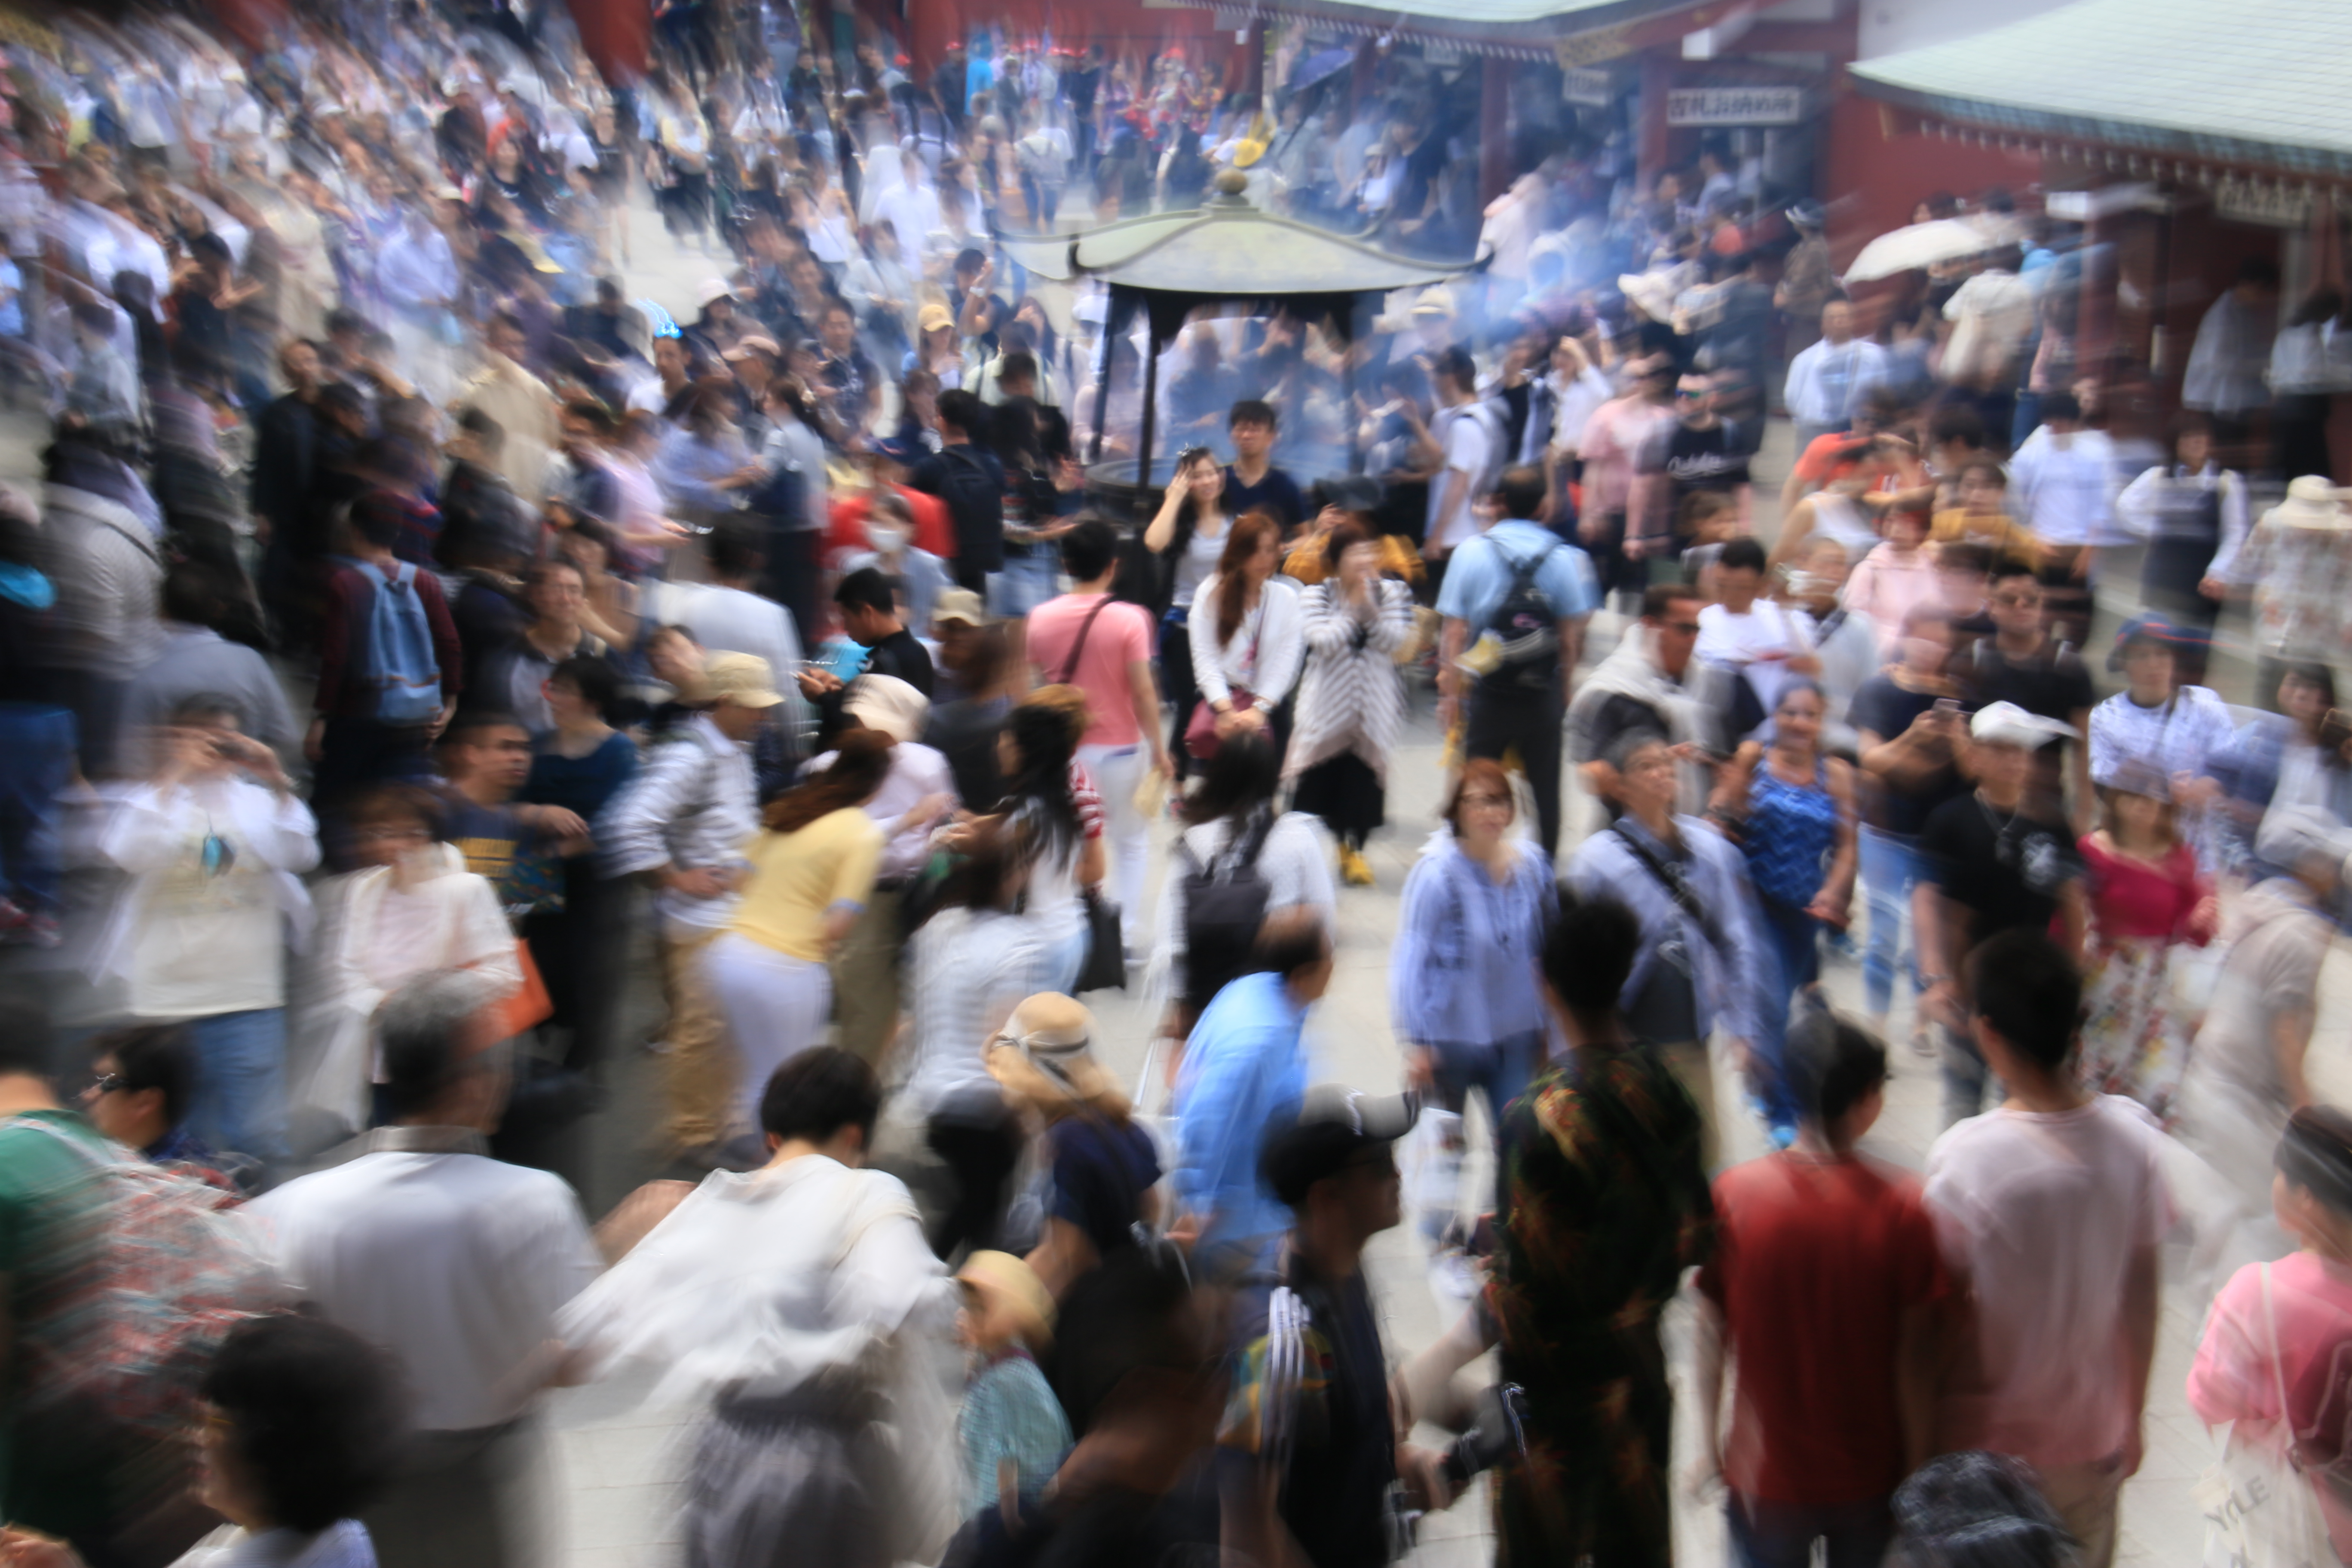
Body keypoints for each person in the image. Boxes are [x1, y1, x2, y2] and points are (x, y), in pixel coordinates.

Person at [556, 1047, 962, 1568]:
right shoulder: (866, 1191)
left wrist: (618, 1234)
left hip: (721, 1454)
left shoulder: (709, 1204)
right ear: (855, 1136)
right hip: (822, 1461)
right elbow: (906, 1297)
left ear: (772, 1136)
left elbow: (586, 1338)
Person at [253, 969, 602, 1568]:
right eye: (498, 1061)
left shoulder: (299, 1206)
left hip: (348, 1482)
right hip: (476, 1479)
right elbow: (577, 1361)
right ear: (472, 1087)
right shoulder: (532, 1202)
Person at [1922, 930, 2171, 1568]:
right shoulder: (2135, 1140)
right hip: (2093, 1442)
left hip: (1988, 1456)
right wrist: (2134, 1414)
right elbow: (2142, 1295)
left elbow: (1937, 1316)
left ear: (1988, 1033)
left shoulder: (1968, 1159)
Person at [1488, 886, 1713, 1568]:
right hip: (1639, 1377)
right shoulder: (1668, 1089)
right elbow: (1696, 1234)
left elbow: (1522, 1297)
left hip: (1552, 1404)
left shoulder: (1539, 1116)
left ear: (1545, 983)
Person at [1689, 1011, 1948, 1568]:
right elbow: (1917, 1359)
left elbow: (1710, 1331)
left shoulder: (1735, 1197)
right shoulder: (1904, 1210)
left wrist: (1707, 1443)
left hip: (1764, 1477)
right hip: (1869, 1477)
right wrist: (1918, 1466)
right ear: (1870, 1100)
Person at [1221, 1085, 1458, 1568]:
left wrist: (1400, 1460)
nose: (1399, 1174)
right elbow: (1247, 1530)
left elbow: (1347, 1424)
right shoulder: (1281, 1339)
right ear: (1327, 1197)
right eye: (1379, 1164)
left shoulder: (1348, 1274)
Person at [97, 696, 320, 1170]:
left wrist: (276, 778)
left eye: (225, 739)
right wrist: (175, 774)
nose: (212, 749)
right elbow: (126, 852)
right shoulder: (151, 798)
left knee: (258, 1136)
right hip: (165, 1000)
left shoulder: (259, 802)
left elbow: (301, 854)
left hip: (248, 995)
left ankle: (261, 1216)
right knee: (177, 1138)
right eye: (196, 737)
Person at [1567, 729, 1764, 1170]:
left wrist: (1743, 1026)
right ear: (1620, 786)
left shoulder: (1708, 849)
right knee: (1633, 1158)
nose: (1660, 774)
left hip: (1691, 1038)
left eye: (1665, 765)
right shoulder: (1597, 861)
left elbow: (1735, 938)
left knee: (1701, 1156)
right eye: (1645, 767)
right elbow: (1575, 959)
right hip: (1627, 1042)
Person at [599, 652, 769, 1159]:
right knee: (703, 1031)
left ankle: (719, 1122)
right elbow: (629, 824)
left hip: (726, 913)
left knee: (726, 1027)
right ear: (724, 701)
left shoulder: (729, 749)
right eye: (754, 706)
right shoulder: (691, 756)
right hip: (699, 921)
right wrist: (674, 878)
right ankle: (694, 1132)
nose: (763, 715)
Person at [1390, 758, 1557, 1274]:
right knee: (1447, 1147)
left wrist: (1553, 1025)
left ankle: (1503, 1233)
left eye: (1498, 801)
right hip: (1451, 1037)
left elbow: (1548, 946)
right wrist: (1415, 1040)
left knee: (1518, 1138)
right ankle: (1442, 1243)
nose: (1489, 812)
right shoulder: (1437, 873)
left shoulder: (1531, 867)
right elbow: (1412, 955)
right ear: (1457, 810)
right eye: (1477, 801)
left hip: (1517, 1032)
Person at [706, 727, 891, 1159]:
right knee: (789, 1080)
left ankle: (763, 1159)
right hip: (786, 967)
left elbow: (738, 879)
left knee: (759, 1071)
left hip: (729, 953)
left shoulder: (791, 808)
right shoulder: (862, 834)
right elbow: (839, 923)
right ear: (878, 783)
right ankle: (784, 1170)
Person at [2179, 809, 2343, 1292]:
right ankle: (2233, 1312)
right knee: (2272, 1218)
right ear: (2311, 866)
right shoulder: (2301, 935)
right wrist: (2304, 1109)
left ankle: (2208, 1297)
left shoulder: (2255, 907)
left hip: (2208, 1075)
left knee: (2227, 1201)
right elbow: (2285, 1031)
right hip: (2245, 1097)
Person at [2187, 1106, 2352, 1564]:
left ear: (2306, 1197)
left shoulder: (2257, 1293)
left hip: (2281, 1525)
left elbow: (2208, 1398)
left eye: (2280, 1175)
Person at [1915, 701, 2087, 1125]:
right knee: (1963, 1099)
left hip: (2032, 990)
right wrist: (1937, 974)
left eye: (2021, 751)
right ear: (1975, 755)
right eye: (2001, 749)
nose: (2014, 760)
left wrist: (2074, 974)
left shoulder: (2052, 823)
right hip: (1968, 986)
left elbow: (2072, 900)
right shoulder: (1951, 820)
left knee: (2027, 1104)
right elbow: (1927, 899)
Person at [1708, 680, 1857, 1142]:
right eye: (1790, 713)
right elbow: (1718, 815)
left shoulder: (1836, 774)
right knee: (1771, 1004)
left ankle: (1759, 1078)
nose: (1799, 723)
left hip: (1804, 910)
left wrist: (1834, 891)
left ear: (1822, 720)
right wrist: (1733, 789)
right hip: (1753, 902)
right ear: (1775, 717)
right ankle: (1783, 1114)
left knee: (1777, 1003)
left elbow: (1848, 847)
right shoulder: (1755, 758)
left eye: (1809, 715)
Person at [1436, 464, 1598, 859]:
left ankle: (1470, 863)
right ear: (1543, 506)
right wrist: (1564, 688)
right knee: (1546, 790)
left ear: (1499, 503)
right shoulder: (1566, 556)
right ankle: (1545, 872)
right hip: (1541, 694)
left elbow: (1454, 632)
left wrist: (1451, 696)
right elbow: (1570, 636)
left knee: (1476, 784)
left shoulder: (1471, 551)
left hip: (1489, 692)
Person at [1026, 517, 1171, 956]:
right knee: (1130, 843)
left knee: (1071, 844)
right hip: (1123, 750)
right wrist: (1161, 751)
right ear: (1114, 565)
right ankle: (1124, 937)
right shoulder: (1132, 619)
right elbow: (1143, 692)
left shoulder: (1039, 619)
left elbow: (1037, 689)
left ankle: (1076, 931)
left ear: (1066, 564)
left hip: (1067, 755)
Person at [900, 821, 1041, 1259]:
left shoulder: (936, 928)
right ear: (1007, 877)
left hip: (934, 1096)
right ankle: (936, 1274)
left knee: (970, 1204)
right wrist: (1028, 1116)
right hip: (982, 1104)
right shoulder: (1013, 943)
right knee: (979, 1208)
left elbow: (915, 1011)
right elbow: (1000, 1039)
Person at [1151, 730, 1338, 1035]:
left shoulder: (1194, 841)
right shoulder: (1300, 839)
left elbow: (1169, 934)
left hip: (1206, 999)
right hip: (1276, 1001)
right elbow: (1324, 922)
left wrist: (1179, 1004)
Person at [1171, 909, 1331, 1263]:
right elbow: (1207, 1115)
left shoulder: (1265, 995)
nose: (1334, 967)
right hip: (1233, 1226)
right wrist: (1197, 1203)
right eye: (1329, 958)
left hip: (1256, 1211)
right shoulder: (1258, 1043)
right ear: (1304, 973)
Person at [982, 993, 1161, 1297]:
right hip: (1132, 1290)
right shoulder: (1121, 1122)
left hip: (1096, 1302)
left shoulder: (1066, 1143)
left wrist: (1009, 1295)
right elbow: (1152, 1207)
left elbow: (1070, 1256)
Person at [824, 676, 959, 1061]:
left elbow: (947, 816)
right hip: (864, 897)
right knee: (864, 1005)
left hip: (919, 893)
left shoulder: (927, 764)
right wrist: (907, 821)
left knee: (915, 995)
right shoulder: (828, 769)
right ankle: (859, 1078)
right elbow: (837, 839)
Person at [1850, 606, 1969, 1042]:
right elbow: (1871, 758)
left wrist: (1959, 738)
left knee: (1930, 942)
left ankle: (1923, 1021)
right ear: (1904, 636)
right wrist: (1914, 737)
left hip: (1938, 838)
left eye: (1940, 640)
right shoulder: (1879, 689)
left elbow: (1973, 772)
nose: (1930, 649)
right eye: (1922, 637)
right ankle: (1877, 1025)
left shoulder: (1963, 697)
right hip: (1886, 829)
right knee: (1882, 935)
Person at [2074, 766, 2217, 1124]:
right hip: (2106, 976)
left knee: (2157, 1080)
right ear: (2116, 802)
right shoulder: (2093, 851)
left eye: (2153, 802)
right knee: (2101, 1069)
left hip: (2157, 981)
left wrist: (2202, 921)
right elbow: (2068, 915)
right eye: (2134, 799)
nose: (2143, 809)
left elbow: (2195, 931)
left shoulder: (2180, 857)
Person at [307, 498, 462, 810]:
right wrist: (450, 701)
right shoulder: (424, 581)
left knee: (336, 804)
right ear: (397, 534)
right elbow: (449, 642)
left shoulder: (346, 583)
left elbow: (336, 657)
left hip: (357, 714)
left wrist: (323, 716)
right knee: (400, 806)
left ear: (354, 531)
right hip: (415, 714)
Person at [1285, 519, 1413, 885]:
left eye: (1369, 551)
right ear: (1337, 560)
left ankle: (1354, 850)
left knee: (1363, 783)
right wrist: (1351, 609)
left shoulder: (1393, 593)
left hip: (1374, 707)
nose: (1364, 560)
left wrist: (1368, 608)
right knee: (1316, 785)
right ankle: (1300, 856)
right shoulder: (1317, 596)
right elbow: (1322, 642)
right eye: (1355, 553)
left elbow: (1394, 643)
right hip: (1325, 708)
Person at [1957, 559, 2096, 833]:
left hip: (2045, 806)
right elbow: (1960, 736)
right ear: (1992, 606)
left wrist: (2083, 815)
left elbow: (2086, 747)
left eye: (2031, 599)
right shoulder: (1972, 660)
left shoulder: (2068, 666)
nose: (2022, 606)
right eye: (2010, 600)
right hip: (1982, 804)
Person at [2089, 616, 2235, 867]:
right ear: (2123, 662)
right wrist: (2161, 796)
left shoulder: (2207, 704)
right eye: (2141, 656)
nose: (2153, 664)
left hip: (2200, 850)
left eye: (2162, 654)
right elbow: (2106, 787)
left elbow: (2230, 767)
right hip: (2137, 850)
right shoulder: (2106, 717)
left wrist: (2204, 787)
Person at [1569, 582, 1719, 816]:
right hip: (1633, 830)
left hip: (1698, 828)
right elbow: (1591, 777)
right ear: (1650, 625)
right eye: (1684, 629)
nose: (1693, 639)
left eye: (1697, 630)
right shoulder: (1615, 692)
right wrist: (1656, 764)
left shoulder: (1709, 682)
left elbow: (1738, 754)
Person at [995, 694, 1102, 993]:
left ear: (1022, 751)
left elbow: (1008, 887)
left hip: (1037, 945)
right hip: (1072, 935)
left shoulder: (1025, 816)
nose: (999, 745)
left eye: (1005, 738)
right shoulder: (1067, 798)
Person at [1143, 445, 1237, 777]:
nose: (1208, 481)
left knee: (1225, 704)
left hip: (1228, 626)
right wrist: (1174, 498)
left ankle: (1218, 779)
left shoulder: (1235, 523)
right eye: (1197, 476)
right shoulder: (1181, 524)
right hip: (1185, 626)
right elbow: (1153, 542)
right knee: (1187, 706)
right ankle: (1177, 783)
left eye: (1212, 473)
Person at [2116, 415, 2248, 648]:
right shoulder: (2158, 477)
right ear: (2175, 443)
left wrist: (2218, 572)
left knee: (2195, 648)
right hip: (2163, 577)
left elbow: (2236, 533)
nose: (2196, 443)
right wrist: (2159, 531)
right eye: (2188, 437)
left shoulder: (2226, 482)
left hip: (2201, 580)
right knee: (2160, 644)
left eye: (2201, 436)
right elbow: (2126, 507)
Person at [955, 1248, 1070, 1516]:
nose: (962, 1318)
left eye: (977, 1308)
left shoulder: (1004, 1383)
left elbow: (990, 1494)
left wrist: (979, 1533)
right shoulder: (1012, 1373)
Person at [1187, 511, 1303, 760]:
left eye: (1270, 550)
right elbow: (1205, 656)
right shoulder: (1212, 592)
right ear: (1238, 553)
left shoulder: (1286, 597)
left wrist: (1260, 709)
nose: (1264, 559)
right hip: (1221, 703)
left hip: (1268, 707)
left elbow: (1287, 661)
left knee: (1267, 779)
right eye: (1254, 551)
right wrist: (1225, 710)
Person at [1697, 537, 1817, 740]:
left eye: (1741, 587)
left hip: (1781, 733)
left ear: (1761, 584)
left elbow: (1812, 671)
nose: (1730, 595)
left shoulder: (1784, 617)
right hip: (1725, 732)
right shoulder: (1701, 622)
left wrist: (1786, 614)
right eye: (1723, 585)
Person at [910, 388, 1006, 596]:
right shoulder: (992, 466)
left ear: (941, 418)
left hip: (940, 566)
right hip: (981, 565)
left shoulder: (927, 468)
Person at [2181, 255, 2280, 451]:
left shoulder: (2243, 312)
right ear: (2248, 284)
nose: (2264, 297)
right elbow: (2220, 362)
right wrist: (2263, 364)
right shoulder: (2223, 317)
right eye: (2263, 290)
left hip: (2233, 404)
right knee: (2225, 454)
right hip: (2217, 404)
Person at [1421, 346, 1501, 564]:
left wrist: (1437, 535)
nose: (1434, 385)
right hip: (1478, 531)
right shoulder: (1486, 417)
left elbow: (1457, 483)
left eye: (1436, 377)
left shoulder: (1464, 426)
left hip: (1456, 537)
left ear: (1449, 379)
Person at [1782, 300, 1888, 452]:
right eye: (1832, 317)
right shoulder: (1805, 359)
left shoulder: (1873, 356)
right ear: (1823, 324)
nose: (1838, 321)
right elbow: (1792, 397)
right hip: (1817, 428)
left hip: (1858, 428)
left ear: (1853, 321)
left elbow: (1882, 389)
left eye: (1844, 317)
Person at [1838, 503, 1941, 655]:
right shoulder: (1871, 568)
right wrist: (1896, 643)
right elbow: (1854, 618)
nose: (1897, 529)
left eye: (1906, 522)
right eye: (1891, 521)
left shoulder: (1932, 568)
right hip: (1877, 652)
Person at [1221, 398, 1304, 530]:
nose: (1246, 436)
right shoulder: (1218, 480)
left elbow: (1305, 535)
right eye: (1241, 429)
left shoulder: (1284, 484)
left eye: (1255, 430)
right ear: (1231, 435)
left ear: (1271, 437)